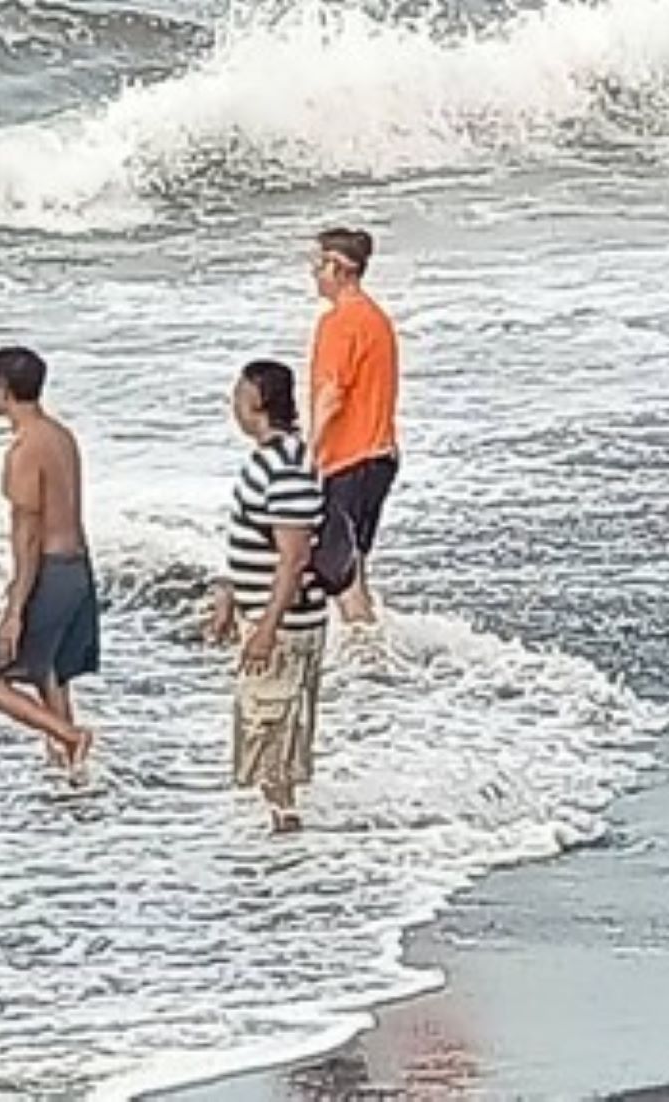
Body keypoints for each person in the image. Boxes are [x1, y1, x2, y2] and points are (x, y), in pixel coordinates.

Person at [205, 360, 328, 834]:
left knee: (271, 737)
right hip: (271, 617)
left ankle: (284, 832)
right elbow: (253, 540)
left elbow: (294, 557)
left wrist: (266, 628)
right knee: (270, 736)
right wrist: (229, 595)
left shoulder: (286, 467)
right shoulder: (276, 460)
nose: (233, 405)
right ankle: (282, 826)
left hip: (285, 626)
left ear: (257, 401)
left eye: (238, 395)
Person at [0, 347, 97, 774]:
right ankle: (67, 766)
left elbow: (27, 534)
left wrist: (14, 610)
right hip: (78, 567)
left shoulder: (23, 450)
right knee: (50, 671)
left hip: (51, 570)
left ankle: (70, 737)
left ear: (3, 390)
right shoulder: (61, 436)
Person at [308, 226, 401, 624]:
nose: (314, 273)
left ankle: (369, 665)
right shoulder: (375, 318)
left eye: (319, 264)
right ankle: (371, 650)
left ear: (340, 268)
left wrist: (308, 455)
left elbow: (332, 393)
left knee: (341, 575)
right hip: (380, 457)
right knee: (356, 563)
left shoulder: (340, 322)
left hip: (351, 459)